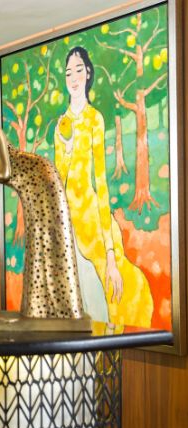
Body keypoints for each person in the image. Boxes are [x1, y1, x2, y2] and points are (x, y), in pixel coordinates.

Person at [54, 46, 153, 327]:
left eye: (78, 71)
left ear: (88, 74)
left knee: (98, 306)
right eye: (68, 73)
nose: (73, 78)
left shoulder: (94, 120)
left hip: (92, 226)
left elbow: (101, 184)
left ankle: (96, 366)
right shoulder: (60, 125)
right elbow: (57, 183)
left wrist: (110, 254)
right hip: (67, 228)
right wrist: (68, 148)